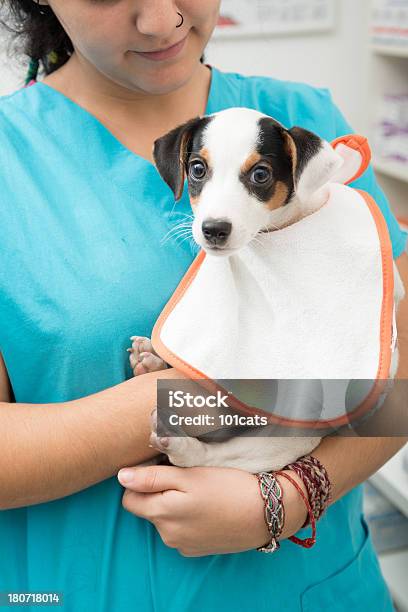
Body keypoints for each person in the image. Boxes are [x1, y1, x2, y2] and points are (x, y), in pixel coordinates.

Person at [0, 1, 407, 611]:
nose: (162, 20)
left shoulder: (306, 124)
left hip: (317, 591)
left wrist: (289, 496)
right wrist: (177, 402)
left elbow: (394, 374)